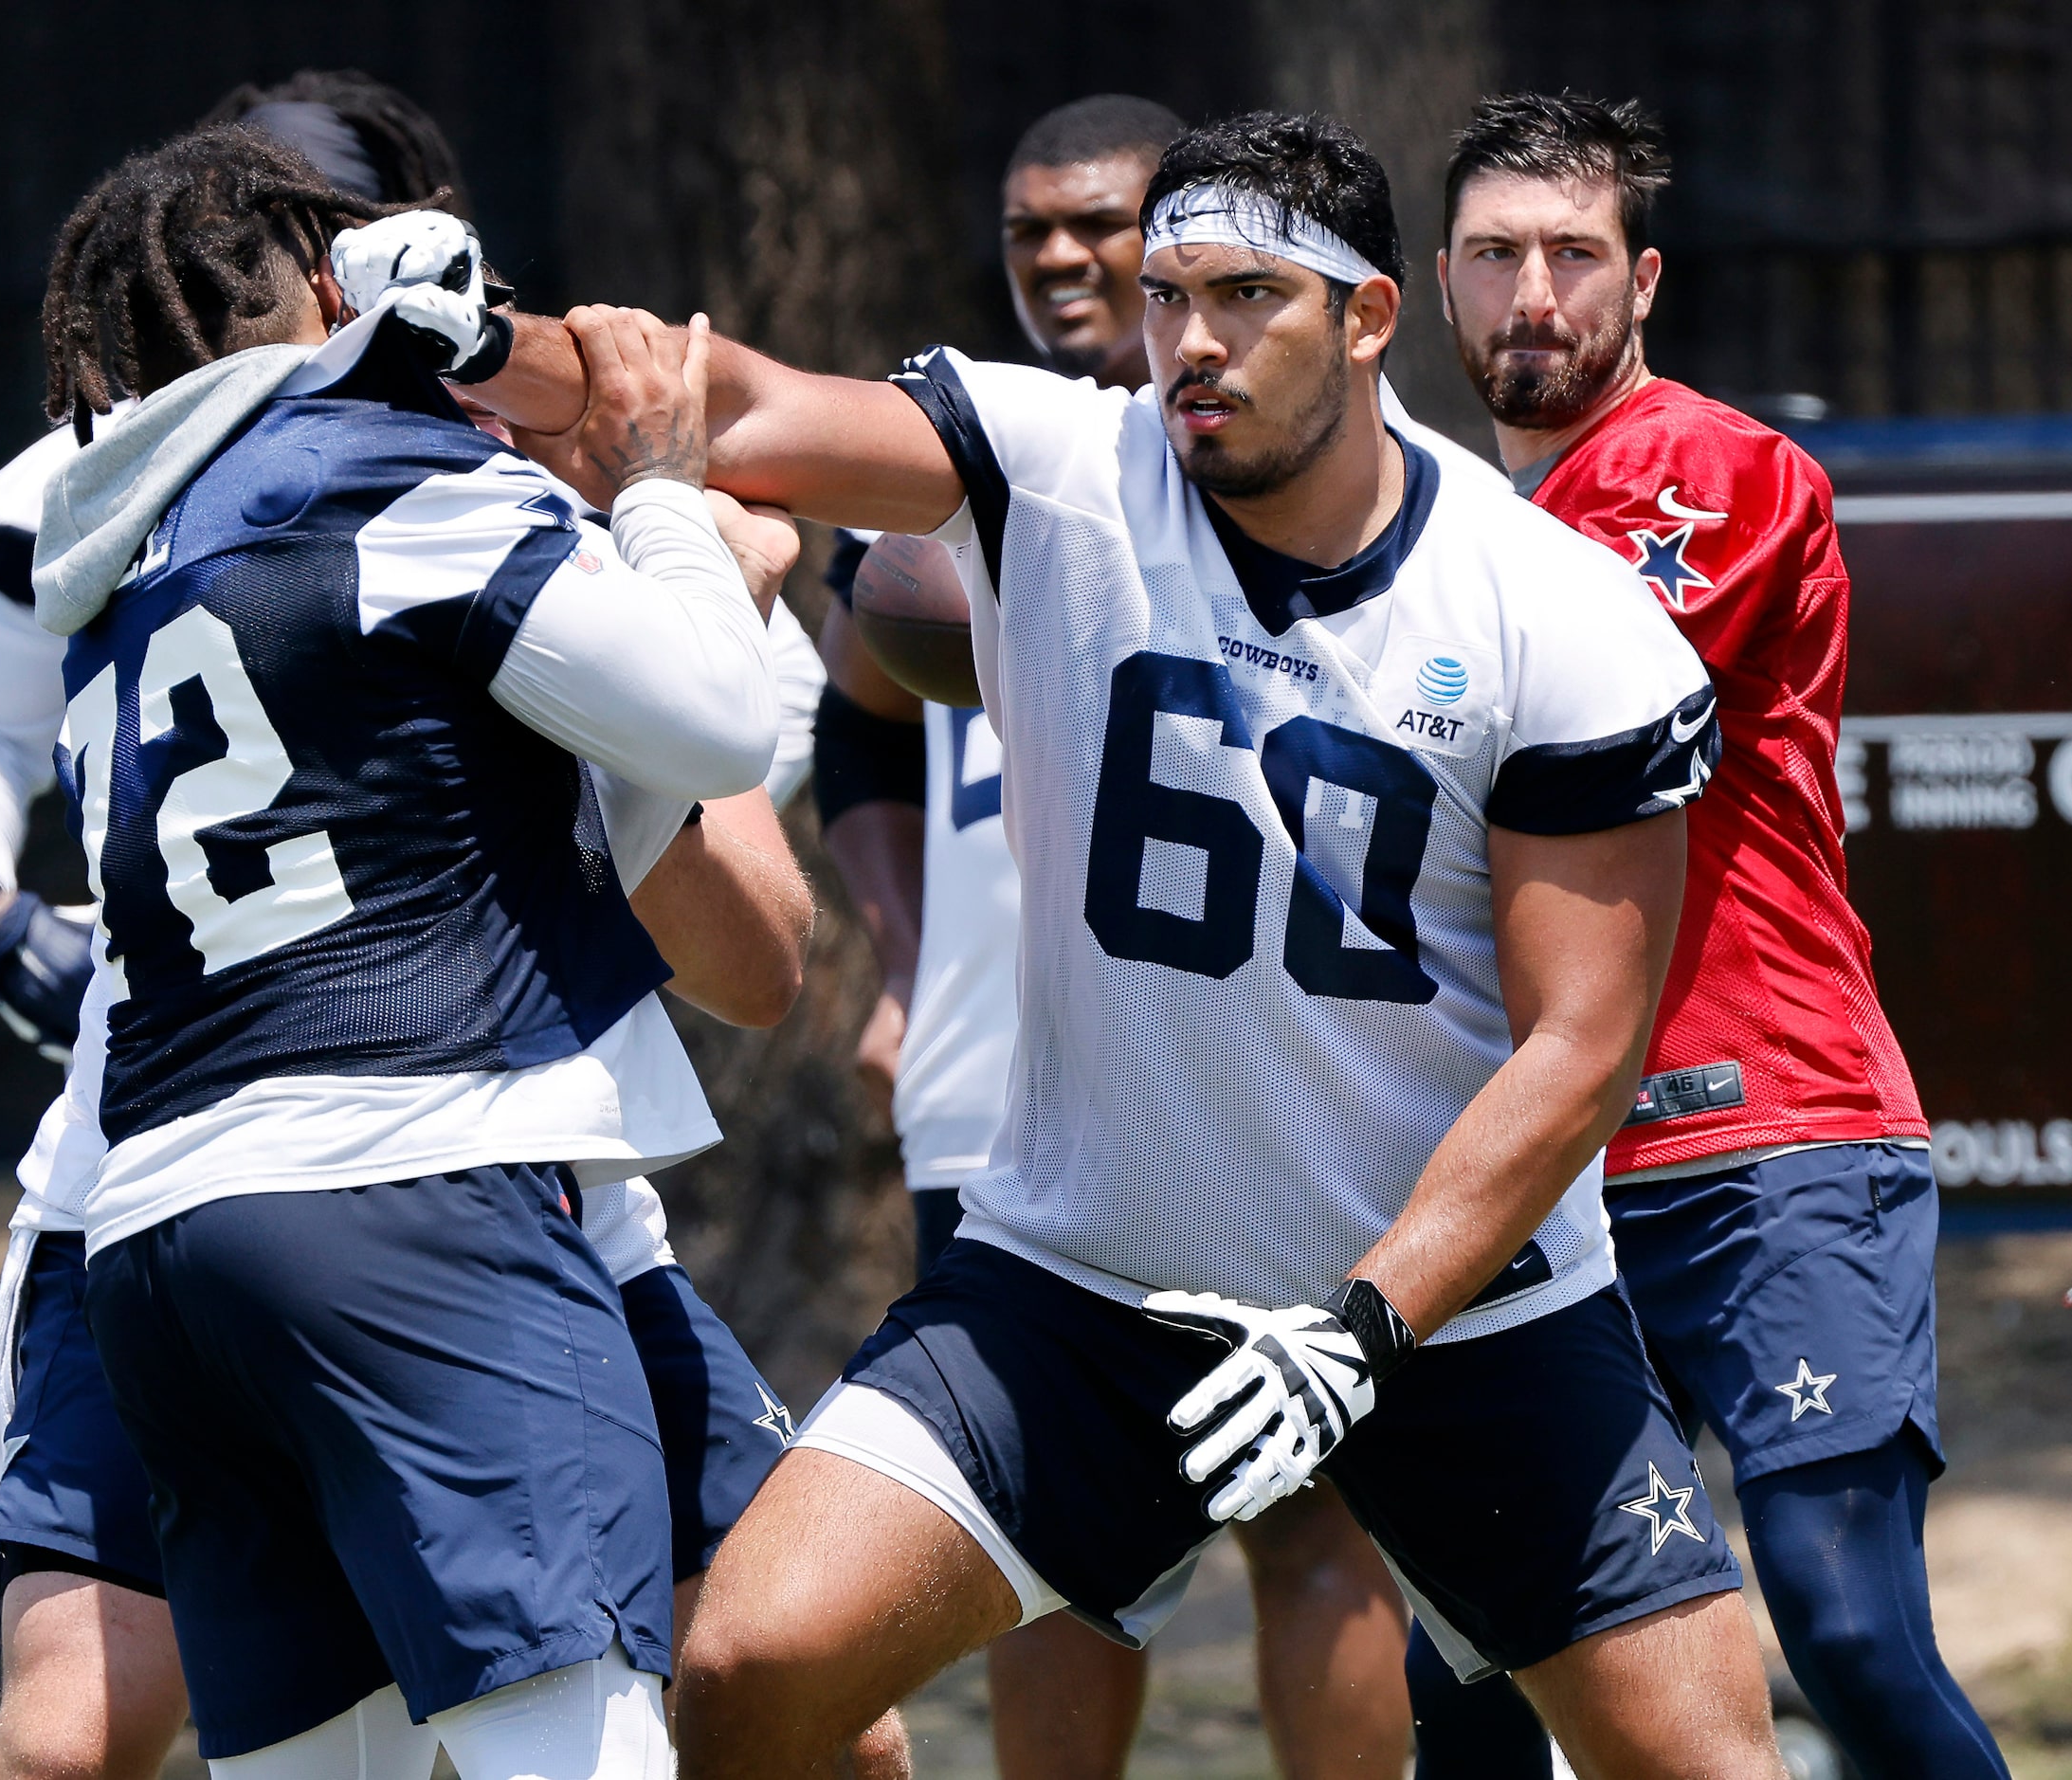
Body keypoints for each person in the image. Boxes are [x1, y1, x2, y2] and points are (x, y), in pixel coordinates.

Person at [456, 108, 1786, 1777]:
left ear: (1369, 315)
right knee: (752, 1661)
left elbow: (1578, 1047)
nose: (1191, 343)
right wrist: (462, 341)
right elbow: (733, 403)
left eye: (1245, 295)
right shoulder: (1065, 466)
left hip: (1461, 1315)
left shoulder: (1556, 612)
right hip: (1085, 1280)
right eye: (1167, 295)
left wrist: (1365, 1323)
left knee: (1706, 1764)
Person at [0, 79, 843, 1780]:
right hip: (416, 1179)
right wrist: (657, 496)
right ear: (340, 291)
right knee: (584, 1753)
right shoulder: (401, 483)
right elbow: (708, 727)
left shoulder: (113, 575)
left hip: (169, 1252)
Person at [814, 93, 1410, 1780]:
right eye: (1031, 233)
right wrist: (905, 958)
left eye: (1108, 229)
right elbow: (855, 721)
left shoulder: (1293, 453)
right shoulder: (963, 456)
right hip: (1003, 1078)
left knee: (1305, 1521)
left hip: (1254, 1067)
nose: (1068, 259)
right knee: (1045, 1548)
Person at [1417, 90, 2010, 1780]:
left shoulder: (1707, 465)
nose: (1536, 292)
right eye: (1493, 255)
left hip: (1770, 1140)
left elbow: (1531, 696)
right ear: (1435, 290)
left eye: (1573, 255)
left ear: (1643, 281)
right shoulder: (1451, 524)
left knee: (1839, 1622)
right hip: (1534, 1170)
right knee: (1472, 1674)